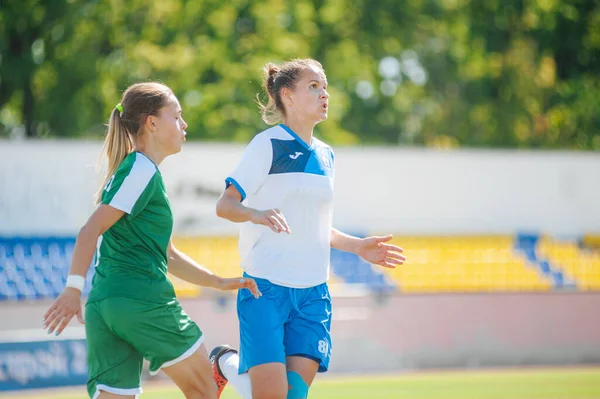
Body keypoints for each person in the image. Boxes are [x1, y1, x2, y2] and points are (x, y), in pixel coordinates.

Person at [43, 82, 261, 399]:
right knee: (206, 390)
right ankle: (222, 363)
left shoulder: (137, 171)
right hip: (140, 299)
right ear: (153, 123)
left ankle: (218, 364)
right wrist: (72, 288)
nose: (184, 124)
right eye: (177, 116)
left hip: (105, 306)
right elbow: (90, 229)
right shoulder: (140, 169)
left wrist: (217, 281)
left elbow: (167, 254)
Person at [210, 59, 405, 399]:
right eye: (313, 86)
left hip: (314, 294)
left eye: (324, 86)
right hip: (265, 289)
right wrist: (255, 214)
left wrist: (358, 246)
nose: (324, 93)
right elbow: (225, 205)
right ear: (287, 95)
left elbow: (317, 228)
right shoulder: (267, 145)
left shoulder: (327, 155)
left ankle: (225, 363)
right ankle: (225, 362)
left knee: (293, 396)